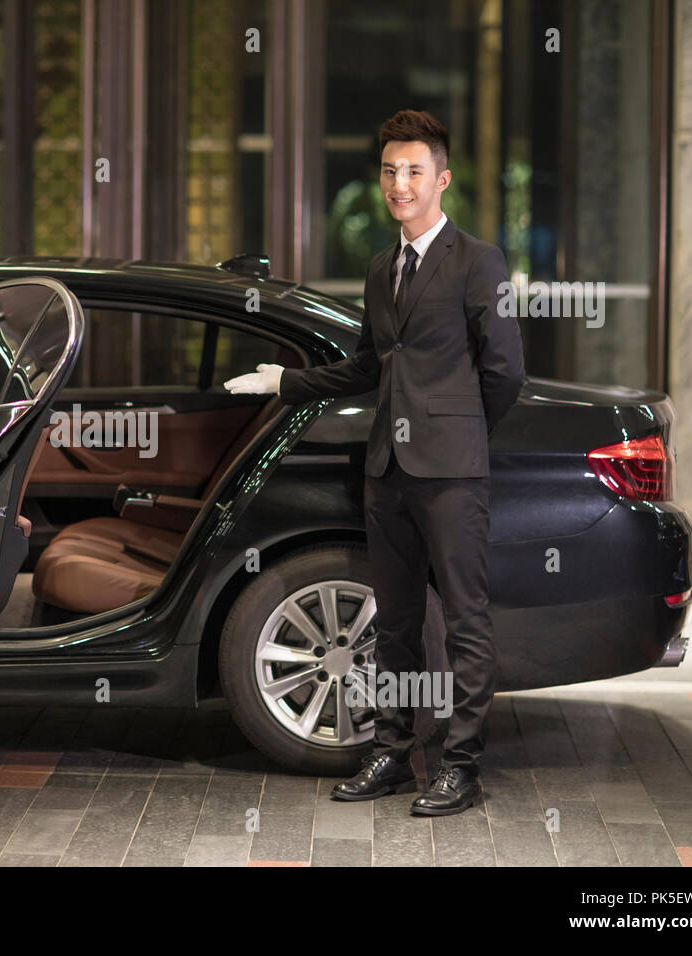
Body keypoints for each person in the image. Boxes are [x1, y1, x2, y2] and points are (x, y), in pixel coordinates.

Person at [224, 109, 525, 816]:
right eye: (391, 170)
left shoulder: (477, 260)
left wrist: (459, 434)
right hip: (386, 471)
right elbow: (367, 365)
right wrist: (284, 382)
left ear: (441, 179)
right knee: (391, 625)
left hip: (451, 472)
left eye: (414, 170)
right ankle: (391, 753)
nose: (400, 182)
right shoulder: (381, 267)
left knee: (465, 621)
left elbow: (504, 369)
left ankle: (461, 767)